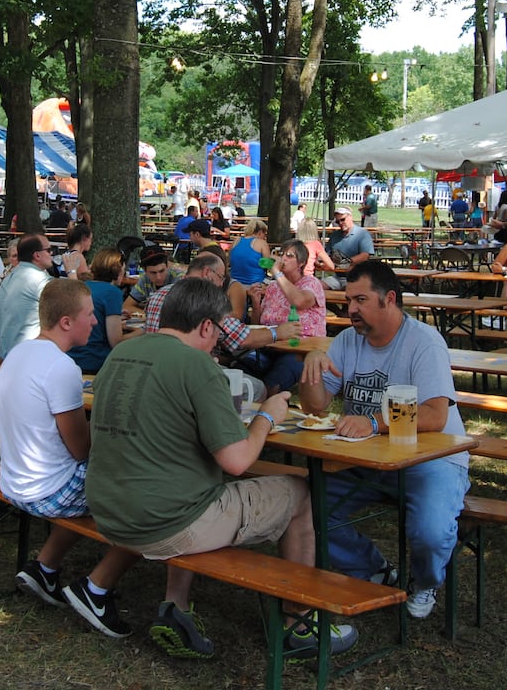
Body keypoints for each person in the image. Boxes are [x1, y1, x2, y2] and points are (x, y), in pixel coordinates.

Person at [87, 277, 357, 661]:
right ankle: (300, 625)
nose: (219, 344)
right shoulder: (197, 364)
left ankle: (176, 605)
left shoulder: (120, 354)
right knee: (300, 491)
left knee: (198, 481)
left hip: (108, 510)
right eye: (219, 331)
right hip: (162, 522)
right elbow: (237, 461)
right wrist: (267, 415)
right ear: (206, 326)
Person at [298, 260, 470, 622]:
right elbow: (316, 406)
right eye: (348, 300)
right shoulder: (347, 340)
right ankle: (373, 568)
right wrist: (311, 364)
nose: (352, 309)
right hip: (368, 459)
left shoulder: (424, 342)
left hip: (432, 459)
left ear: (389, 299)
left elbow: (436, 416)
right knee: (305, 506)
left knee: (429, 531)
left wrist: (373, 423)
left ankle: (425, 581)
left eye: (360, 300)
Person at [0, 278, 137, 637]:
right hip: (46, 490)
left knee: (97, 477)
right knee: (146, 492)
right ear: (66, 322)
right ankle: (96, 591)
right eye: (89, 315)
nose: (95, 322)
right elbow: (81, 449)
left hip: (13, 481)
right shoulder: (62, 369)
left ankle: (45, 569)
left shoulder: (19, 352)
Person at [145, 253, 298, 399]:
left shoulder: (158, 295)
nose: (221, 284)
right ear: (207, 272)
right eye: (221, 277)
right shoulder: (207, 299)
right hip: (191, 374)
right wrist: (278, 332)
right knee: (257, 388)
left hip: (152, 371)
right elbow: (241, 339)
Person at [244, 240, 324, 396]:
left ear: (301, 263)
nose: (283, 259)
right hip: (269, 346)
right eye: (281, 254)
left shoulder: (311, 284)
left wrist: (276, 272)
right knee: (241, 370)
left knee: (273, 384)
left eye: (289, 255)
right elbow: (258, 324)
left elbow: (299, 301)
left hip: (298, 349)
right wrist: (256, 302)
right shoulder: (274, 287)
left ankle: (271, 413)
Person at [66, 249, 127, 373]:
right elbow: (116, 341)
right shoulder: (112, 292)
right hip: (96, 360)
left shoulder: (83, 286)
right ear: (119, 271)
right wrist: (142, 332)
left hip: (72, 357)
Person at [0, 233, 54, 359]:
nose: (52, 253)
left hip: (6, 357)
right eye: (49, 250)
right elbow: (73, 306)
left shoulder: (9, 277)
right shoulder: (40, 280)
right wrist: (72, 272)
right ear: (37, 255)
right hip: (28, 359)